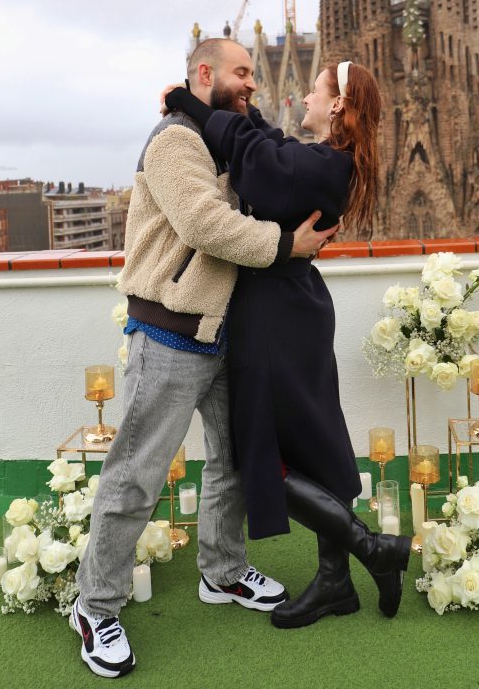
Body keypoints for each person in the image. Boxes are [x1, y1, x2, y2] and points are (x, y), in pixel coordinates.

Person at [71, 38, 335, 678]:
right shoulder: (175, 142)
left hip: (225, 332)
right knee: (137, 473)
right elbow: (203, 225)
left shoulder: (231, 134)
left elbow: (282, 168)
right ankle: (95, 606)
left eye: (252, 73)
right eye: (242, 72)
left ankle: (221, 572)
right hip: (168, 333)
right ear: (205, 73)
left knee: (233, 463)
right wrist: (286, 245)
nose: (252, 83)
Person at [164, 59, 412, 631]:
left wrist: (191, 102)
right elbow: (269, 144)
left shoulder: (325, 165)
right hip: (290, 309)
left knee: (265, 454)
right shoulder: (324, 160)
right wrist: (226, 113)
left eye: (315, 90)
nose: (303, 95)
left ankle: (370, 550)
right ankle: (336, 582)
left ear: (337, 106)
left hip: (278, 318)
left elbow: (256, 157)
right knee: (314, 447)